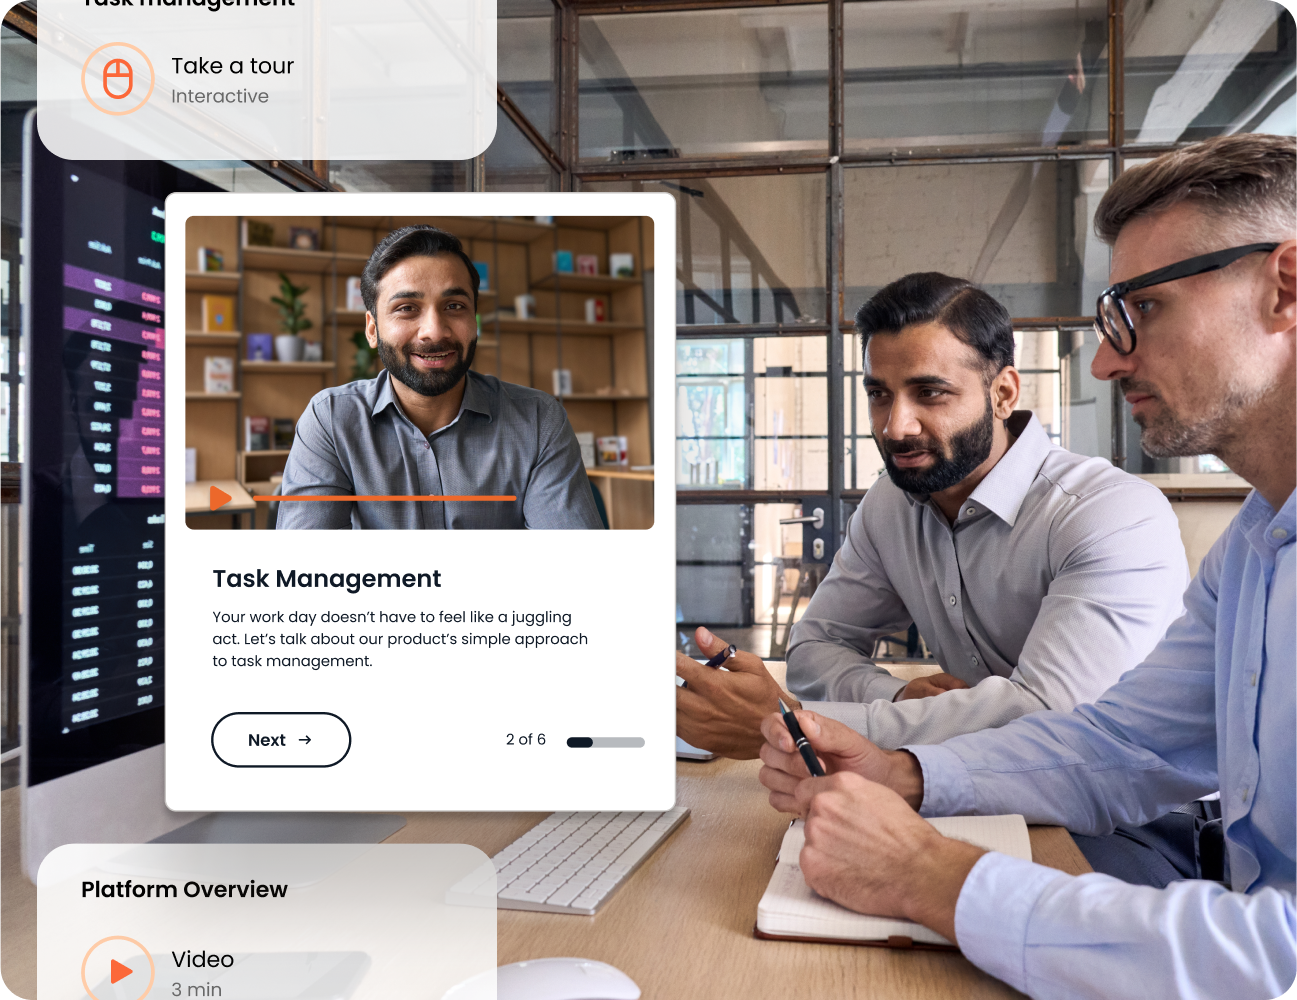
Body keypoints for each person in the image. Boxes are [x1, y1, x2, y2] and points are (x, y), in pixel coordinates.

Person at [757, 133, 1297, 999]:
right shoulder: (1253, 546)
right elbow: (1119, 742)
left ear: (1285, 287)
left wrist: (930, 877)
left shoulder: (1110, 510)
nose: (1105, 360)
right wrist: (903, 769)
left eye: (1143, 311)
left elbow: (1278, 954)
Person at [676, 274, 1188, 758]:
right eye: (879, 395)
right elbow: (816, 645)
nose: (895, 427)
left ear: (1003, 394)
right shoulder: (890, 505)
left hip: (1138, 818)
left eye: (930, 393)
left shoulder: (1110, 515)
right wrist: (896, 699)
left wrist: (796, 724)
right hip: (973, 784)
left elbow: (1052, 719)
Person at [277, 225, 603, 530]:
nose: (434, 330)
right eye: (406, 308)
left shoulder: (538, 419)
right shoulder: (331, 419)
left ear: (475, 321)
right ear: (373, 329)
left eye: (454, 306)